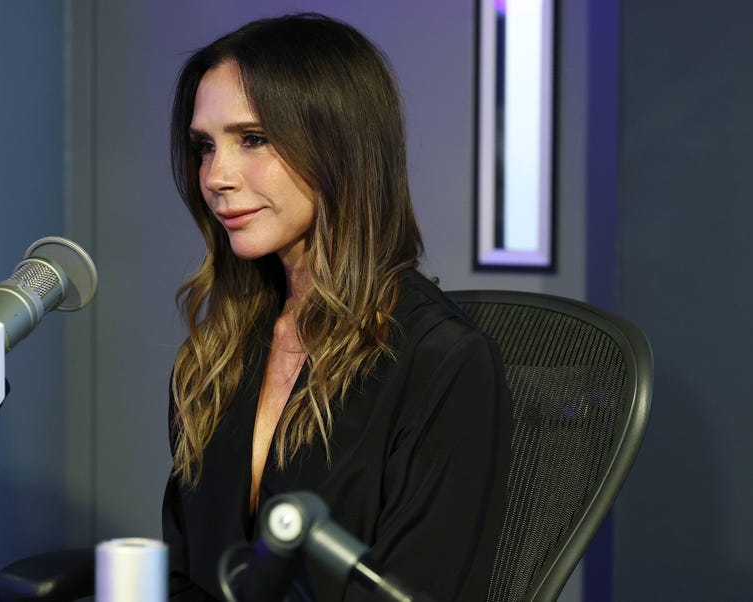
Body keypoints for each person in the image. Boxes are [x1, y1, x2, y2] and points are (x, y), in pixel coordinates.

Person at [161, 13, 511, 601]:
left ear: (338, 145)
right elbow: (183, 575)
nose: (216, 176)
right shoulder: (215, 357)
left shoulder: (443, 363)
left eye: (252, 139)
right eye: (204, 147)